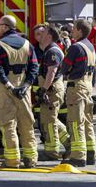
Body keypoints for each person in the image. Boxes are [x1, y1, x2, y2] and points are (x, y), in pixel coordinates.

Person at [0, 15, 39, 169]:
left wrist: (9, 86)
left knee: (8, 123)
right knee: (26, 123)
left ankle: (12, 160)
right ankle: (31, 159)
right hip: (24, 87)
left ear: (5, 27)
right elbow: (34, 67)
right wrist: (26, 85)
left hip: (7, 88)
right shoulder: (27, 44)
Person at [61, 19, 96, 167]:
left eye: (74, 29)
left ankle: (78, 156)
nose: (71, 31)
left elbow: (64, 68)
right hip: (88, 85)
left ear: (80, 31)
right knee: (87, 122)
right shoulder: (90, 46)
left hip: (76, 87)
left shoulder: (75, 48)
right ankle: (90, 153)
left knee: (75, 122)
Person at [37, 24, 70, 160]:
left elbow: (52, 72)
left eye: (43, 33)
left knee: (49, 121)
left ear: (49, 36)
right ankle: (69, 144)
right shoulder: (49, 50)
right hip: (52, 89)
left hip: (52, 90)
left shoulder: (52, 51)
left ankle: (52, 152)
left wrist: (44, 89)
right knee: (51, 120)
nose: (40, 35)